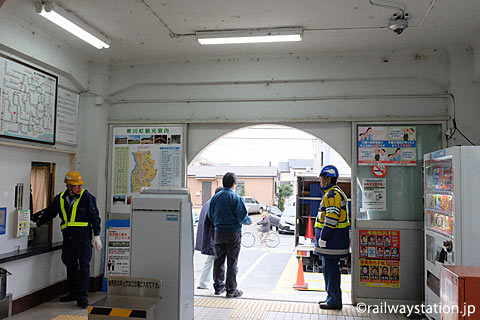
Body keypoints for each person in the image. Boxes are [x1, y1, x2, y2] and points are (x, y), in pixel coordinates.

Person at [31, 171, 102, 309]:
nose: (79, 188)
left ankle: (82, 297)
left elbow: (95, 217)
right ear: (68, 186)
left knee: (84, 266)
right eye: (76, 186)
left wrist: (96, 235)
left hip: (83, 237)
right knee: (69, 264)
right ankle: (73, 292)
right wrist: (37, 223)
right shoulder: (60, 198)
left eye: (80, 185)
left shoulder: (87, 198)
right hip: (68, 237)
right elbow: (50, 212)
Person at [208, 172, 252, 298]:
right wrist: (249, 221)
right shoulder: (236, 198)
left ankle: (218, 287)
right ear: (234, 184)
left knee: (218, 260)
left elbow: (210, 216)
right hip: (233, 233)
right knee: (232, 261)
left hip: (218, 232)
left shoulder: (215, 198)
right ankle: (231, 290)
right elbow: (242, 217)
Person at [314, 165, 350, 310]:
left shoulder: (332, 195)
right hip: (332, 242)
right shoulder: (333, 193)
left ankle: (334, 300)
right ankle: (331, 297)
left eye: (322, 178)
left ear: (328, 178)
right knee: (329, 270)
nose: (320, 181)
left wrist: (323, 237)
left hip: (332, 242)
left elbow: (331, 218)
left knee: (331, 271)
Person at [195, 187, 223, 289]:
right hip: (212, 237)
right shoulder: (214, 204)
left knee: (210, 260)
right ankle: (207, 283)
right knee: (215, 260)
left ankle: (203, 283)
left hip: (207, 237)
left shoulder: (207, 203)